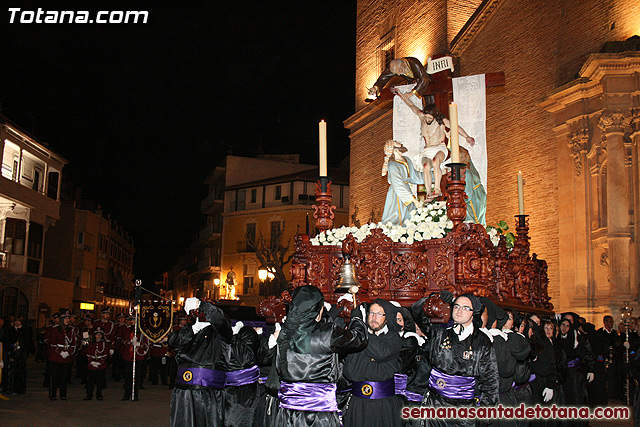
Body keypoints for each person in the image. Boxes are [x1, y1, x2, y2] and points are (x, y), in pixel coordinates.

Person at [269, 285, 368, 427]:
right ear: (318, 309)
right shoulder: (327, 333)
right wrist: (357, 317)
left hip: (288, 414)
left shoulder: (284, 333)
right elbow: (358, 339)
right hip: (319, 414)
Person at [411, 292, 499, 427]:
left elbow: (490, 381)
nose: (459, 311)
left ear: (473, 312)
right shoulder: (440, 331)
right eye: (456, 306)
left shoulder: (482, 341)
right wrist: (435, 297)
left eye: (465, 308)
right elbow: (416, 310)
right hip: (434, 406)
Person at [342, 298, 416, 427]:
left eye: (378, 314)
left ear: (386, 318)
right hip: (358, 404)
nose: (373, 317)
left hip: (383, 404)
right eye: (371, 313)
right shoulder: (358, 338)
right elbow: (350, 371)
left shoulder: (393, 338)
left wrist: (359, 327)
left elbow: (380, 352)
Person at [392, 91, 475, 201]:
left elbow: (455, 127)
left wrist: (467, 137)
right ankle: (429, 193)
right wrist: (400, 95)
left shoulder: (441, 121)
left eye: (429, 118)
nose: (427, 120)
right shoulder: (422, 117)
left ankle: (437, 189)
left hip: (439, 147)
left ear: (434, 115)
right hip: (427, 149)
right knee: (426, 166)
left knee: (436, 161)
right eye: (426, 117)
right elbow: (411, 105)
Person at [169, 298, 232, 427]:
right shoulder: (188, 330)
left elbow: (220, 320)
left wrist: (204, 306)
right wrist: (193, 329)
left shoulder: (219, 332)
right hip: (185, 391)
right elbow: (174, 342)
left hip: (208, 391)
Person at [381, 140, 423, 225]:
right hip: (397, 194)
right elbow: (398, 184)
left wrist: (434, 176)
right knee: (397, 218)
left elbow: (415, 176)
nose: (401, 150)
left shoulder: (406, 160)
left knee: (410, 216)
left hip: (407, 190)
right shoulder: (392, 165)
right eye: (398, 148)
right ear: (394, 150)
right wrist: (413, 200)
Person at [45, 312, 77, 400]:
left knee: (64, 377)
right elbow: (52, 342)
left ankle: (63, 394)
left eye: (68, 318)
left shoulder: (71, 330)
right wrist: (60, 352)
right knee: (55, 377)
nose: (67, 320)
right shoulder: (55, 329)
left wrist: (69, 352)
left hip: (67, 357)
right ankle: (53, 394)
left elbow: (73, 344)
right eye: (65, 318)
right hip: (56, 356)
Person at [119, 315, 149, 401]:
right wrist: (129, 342)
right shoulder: (128, 330)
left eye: (134, 320)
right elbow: (122, 340)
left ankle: (135, 395)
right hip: (128, 356)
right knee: (128, 376)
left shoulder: (143, 332)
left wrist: (139, 344)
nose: (132, 322)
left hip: (138, 356)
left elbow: (146, 344)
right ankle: (126, 394)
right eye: (132, 320)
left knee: (136, 376)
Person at [3, 315, 33, 394]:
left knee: (20, 372)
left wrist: (20, 345)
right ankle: (9, 387)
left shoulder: (25, 331)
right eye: (16, 321)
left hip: (21, 354)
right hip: (12, 353)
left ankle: (19, 388)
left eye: (18, 321)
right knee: (10, 371)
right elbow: (6, 340)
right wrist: (12, 346)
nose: (17, 323)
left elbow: (28, 342)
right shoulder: (9, 330)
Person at [84, 327, 109, 400]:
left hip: (100, 365)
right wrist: (91, 361)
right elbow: (87, 353)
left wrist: (100, 362)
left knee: (99, 381)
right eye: (97, 335)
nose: (99, 336)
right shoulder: (91, 344)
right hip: (91, 365)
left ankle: (99, 394)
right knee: (90, 381)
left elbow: (105, 354)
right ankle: (89, 394)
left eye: (100, 335)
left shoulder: (104, 344)